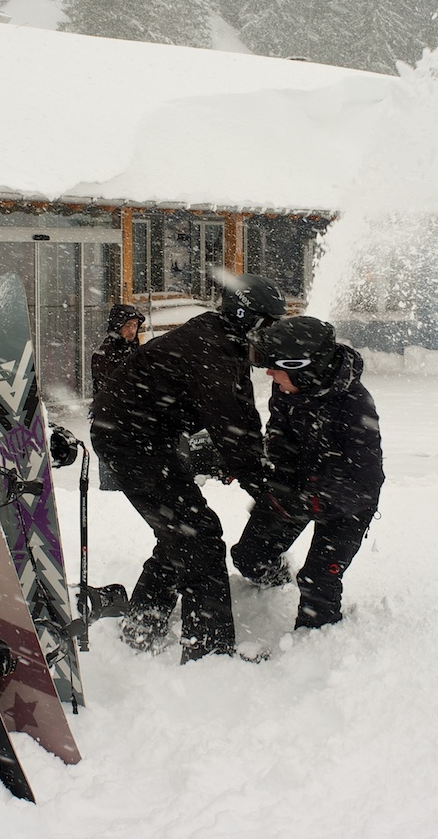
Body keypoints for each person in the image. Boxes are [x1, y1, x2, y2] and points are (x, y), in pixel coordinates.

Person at [90, 273, 285, 663]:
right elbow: (230, 428)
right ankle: (208, 654)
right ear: (246, 317)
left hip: (147, 437)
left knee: (181, 531)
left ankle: (143, 626)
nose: (272, 335)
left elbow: (243, 415)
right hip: (129, 442)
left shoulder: (226, 341)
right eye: (269, 325)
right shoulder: (212, 349)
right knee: (199, 537)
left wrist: (263, 470)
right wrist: (265, 488)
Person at [231, 316, 383, 631]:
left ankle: (316, 641)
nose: (270, 374)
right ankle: (276, 586)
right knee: (249, 556)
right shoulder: (287, 389)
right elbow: (279, 434)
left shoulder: (354, 406)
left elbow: (366, 481)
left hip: (347, 508)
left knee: (317, 581)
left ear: (302, 368)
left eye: (276, 367)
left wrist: (315, 499)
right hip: (297, 490)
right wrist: (275, 473)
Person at [90, 303, 145, 490]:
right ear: (117, 326)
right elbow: (109, 391)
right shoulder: (104, 355)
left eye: (135, 325)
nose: (132, 330)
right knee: (113, 483)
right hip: (111, 423)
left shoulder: (137, 352)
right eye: (128, 325)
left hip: (134, 423)